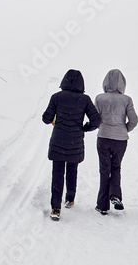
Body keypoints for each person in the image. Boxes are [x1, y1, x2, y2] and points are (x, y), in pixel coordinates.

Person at [42, 69, 101, 220]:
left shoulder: (56, 97)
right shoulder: (85, 99)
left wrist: (55, 121)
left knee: (57, 173)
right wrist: (84, 128)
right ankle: (70, 198)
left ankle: (56, 208)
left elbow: (46, 118)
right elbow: (96, 120)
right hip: (75, 140)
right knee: (72, 169)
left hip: (58, 140)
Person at [94, 69, 138, 215]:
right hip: (120, 140)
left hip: (104, 137)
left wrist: (102, 126)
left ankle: (102, 205)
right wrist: (124, 129)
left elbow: (95, 118)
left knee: (104, 170)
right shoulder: (127, 100)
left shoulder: (100, 98)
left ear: (105, 82)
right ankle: (116, 196)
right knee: (116, 167)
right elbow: (134, 120)